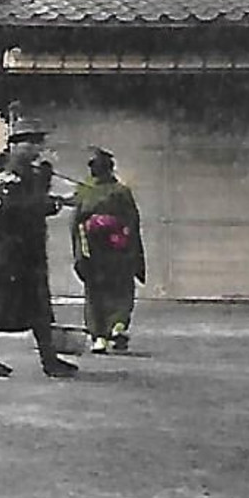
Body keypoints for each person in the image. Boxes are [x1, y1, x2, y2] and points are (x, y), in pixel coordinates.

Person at [0, 120, 77, 378]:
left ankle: (49, 360)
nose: (34, 148)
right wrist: (51, 201)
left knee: (39, 308)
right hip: (10, 254)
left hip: (28, 252)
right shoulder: (8, 174)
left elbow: (34, 203)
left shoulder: (28, 173)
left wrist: (48, 189)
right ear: (14, 145)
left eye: (37, 143)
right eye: (28, 142)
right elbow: (18, 208)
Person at [72, 146, 146, 354]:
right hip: (119, 250)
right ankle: (118, 325)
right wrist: (134, 251)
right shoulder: (121, 191)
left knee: (95, 293)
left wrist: (79, 253)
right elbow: (132, 221)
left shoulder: (84, 191)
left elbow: (76, 223)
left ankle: (99, 336)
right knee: (122, 290)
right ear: (111, 169)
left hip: (94, 252)